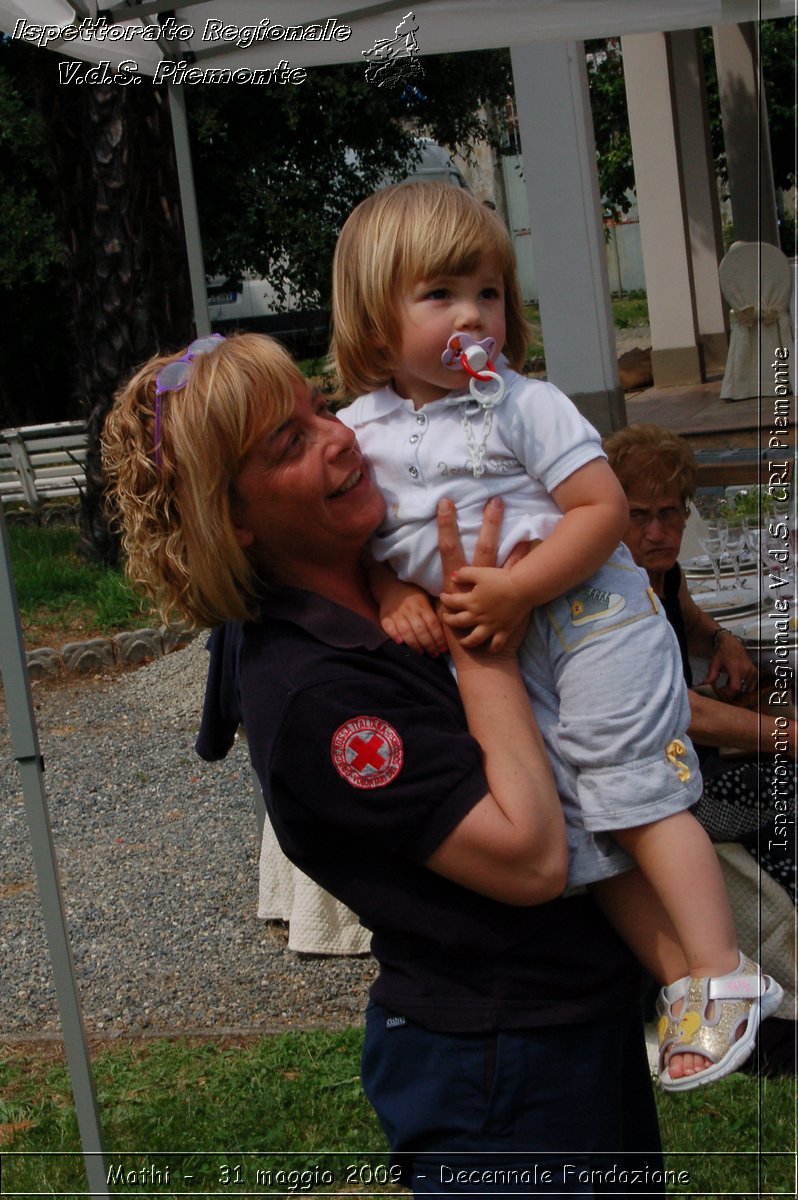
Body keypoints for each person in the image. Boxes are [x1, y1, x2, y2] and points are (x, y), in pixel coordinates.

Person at [102, 330, 666, 1195]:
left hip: (573, 1021)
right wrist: (485, 646)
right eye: (287, 444)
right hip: (500, 1067)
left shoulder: (381, 579)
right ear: (235, 519)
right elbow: (528, 859)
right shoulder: (315, 693)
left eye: (317, 406)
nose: (337, 437)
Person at [330, 180, 783, 1091]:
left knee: (636, 792)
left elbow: (599, 509)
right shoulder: (359, 433)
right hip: (513, 648)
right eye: (442, 295)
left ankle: (726, 966)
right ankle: (681, 984)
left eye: (490, 291)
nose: (475, 314)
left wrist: (515, 590)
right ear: (376, 330)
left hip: (589, 618)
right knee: (579, 835)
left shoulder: (520, 404)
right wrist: (389, 593)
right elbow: (370, 537)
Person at [604, 422, 796, 1074]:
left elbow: (684, 604)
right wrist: (784, 736)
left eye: (669, 514)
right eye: (637, 516)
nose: (656, 531)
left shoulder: (656, 573)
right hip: (651, 783)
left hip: (683, 760)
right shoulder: (607, 592)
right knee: (781, 810)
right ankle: (763, 991)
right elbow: (675, 709)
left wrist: (722, 640)